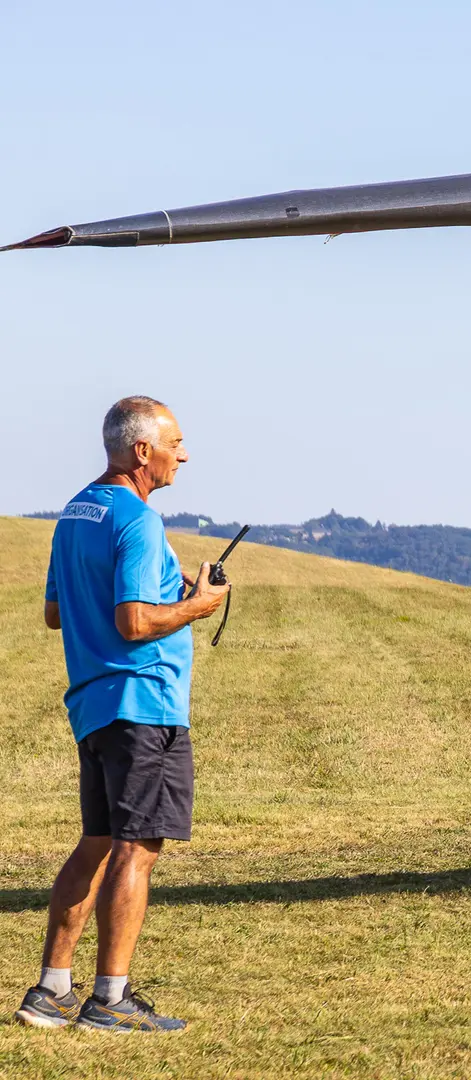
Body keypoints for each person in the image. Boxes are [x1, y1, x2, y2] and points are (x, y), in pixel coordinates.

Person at [17, 397, 228, 1033]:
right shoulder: (137, 521)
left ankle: (50, 992)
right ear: (143, 452)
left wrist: (173, 597)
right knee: (138, 848)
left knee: (100, 842)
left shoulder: (75, 515)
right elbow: (134, 622)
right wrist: (199, 605)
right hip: (145, 703)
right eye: (176, 443)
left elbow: (56, 612)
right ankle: (110, 1000)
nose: (182, 455)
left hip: (94, 705)